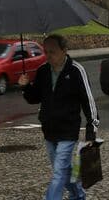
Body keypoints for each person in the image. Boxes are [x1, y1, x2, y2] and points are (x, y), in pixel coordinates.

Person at [18, 34, 99, 200]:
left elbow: (89, 102)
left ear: (64, 51)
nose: (48, 56)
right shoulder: (43, 71)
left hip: (68, 131)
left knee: (58, 173)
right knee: (64, 169)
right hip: (49, 131)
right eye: (45, 51)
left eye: (52, 52)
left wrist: (91, 132)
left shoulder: (76, 71)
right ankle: (78, 194)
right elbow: (34, 98)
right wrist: (26, 86)